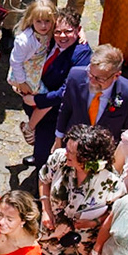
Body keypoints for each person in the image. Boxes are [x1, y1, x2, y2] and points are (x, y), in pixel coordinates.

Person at [38, 124, 124, 255]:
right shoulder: (60, 158)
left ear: (88, 157)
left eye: (72, 152)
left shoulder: (112, 181)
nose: (66, 153)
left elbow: (114, 212)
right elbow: (43, 178)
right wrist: (46, 209)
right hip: (53, 224)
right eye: (67, 148)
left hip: (87, 233)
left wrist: (93, 223)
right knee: (47, 254)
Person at [26, 9, 89, 167]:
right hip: (37, 104)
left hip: (56, 112)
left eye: (68, 32)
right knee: (39, 140)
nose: (62, 36)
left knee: (47, 152)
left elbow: (66, 91)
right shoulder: (49, 40)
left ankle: (43, 176)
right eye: (58, 32)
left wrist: (36, 100)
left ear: (78, 30)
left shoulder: (82, 55)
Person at [53, 44, 128, 148]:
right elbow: (66, 109)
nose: (92, 81)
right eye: (90, 74)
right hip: (73, 146)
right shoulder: (75, 77)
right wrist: (58, 138)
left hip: (104, 153)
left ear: (116, 76)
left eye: (100, 79)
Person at [7, 0, 59, 142]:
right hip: (27, 72)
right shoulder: (24, 40)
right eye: (39, 21)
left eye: (48, 21)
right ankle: (29, 127)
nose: (44, 26)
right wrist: (21, 82)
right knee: (47, 101)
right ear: (31, 20)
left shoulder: (51, 31)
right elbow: (15, 61)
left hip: (38, 68)